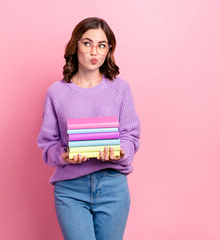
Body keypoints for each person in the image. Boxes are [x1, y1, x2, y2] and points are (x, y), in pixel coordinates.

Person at [37, 17, 141, 240]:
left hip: (113, 186)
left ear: (108, 50)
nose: (94, 51)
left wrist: (120, 152)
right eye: (87, 43)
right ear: (76, 45)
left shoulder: (120, 89)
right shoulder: (56, 93)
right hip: (71, 190)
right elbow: (48, 144)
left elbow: (131, 136)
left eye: (102, 45)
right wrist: (63, 155)